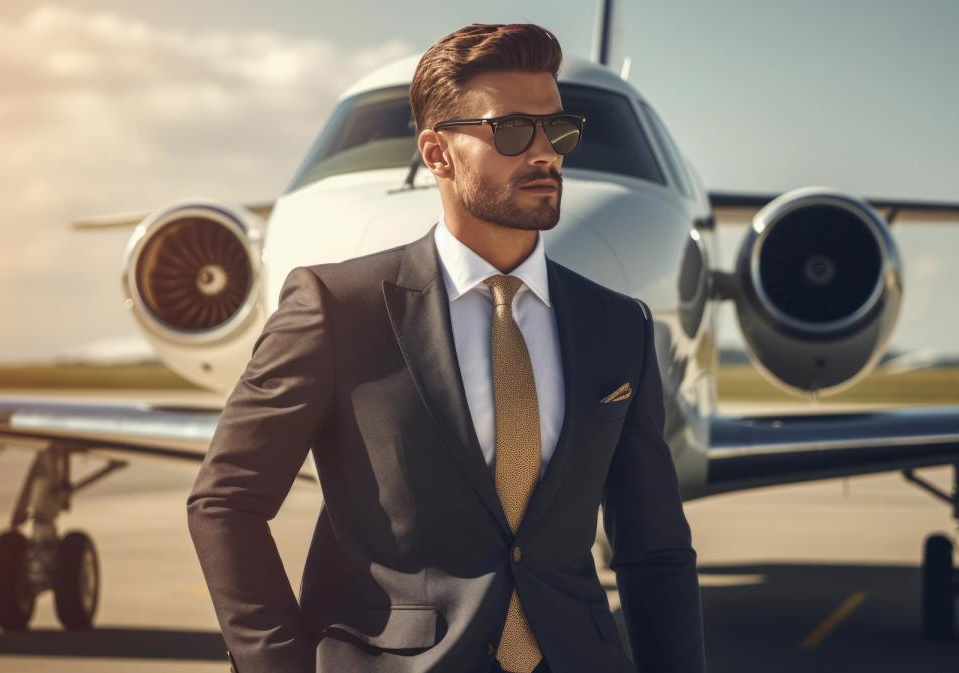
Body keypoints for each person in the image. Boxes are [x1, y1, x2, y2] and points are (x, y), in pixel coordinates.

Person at [186, 22, 705, 673]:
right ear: (436, 154)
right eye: (515, 131)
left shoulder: (617, 326)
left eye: (559, 130)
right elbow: (225, 500)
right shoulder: (336, 308)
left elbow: (653, 548)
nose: (546, 153)